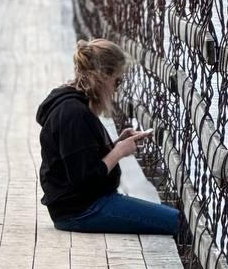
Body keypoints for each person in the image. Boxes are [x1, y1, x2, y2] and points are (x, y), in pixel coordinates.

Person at [36, 38, 181, 235]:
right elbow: (84, 179)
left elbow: (81, 159)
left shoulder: (72, 103)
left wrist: (116, 144)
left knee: (172, 219)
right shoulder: (73, 113)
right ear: (103, 76)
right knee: (175, 221)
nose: (116, 89)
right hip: (80, 211)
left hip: (79, 206)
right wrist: (119, 152)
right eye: (117, 81)